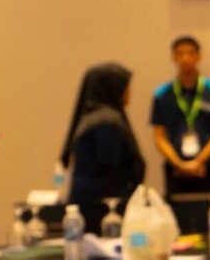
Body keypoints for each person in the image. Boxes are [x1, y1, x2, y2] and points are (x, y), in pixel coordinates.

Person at [59, 62, 145, 234]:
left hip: (91, 202)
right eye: (126, 87)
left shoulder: (94, 117)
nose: (130, 92)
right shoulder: (105, 122)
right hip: (100, 207)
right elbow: (109, 166)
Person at [151, 36, 210, 194]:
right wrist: (179, 164)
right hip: (174, 169)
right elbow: (159, 137)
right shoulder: (162, 94)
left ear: (198, 56)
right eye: (180, 54)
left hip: (206, 167)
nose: (185, 58)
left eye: (190, 53)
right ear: (173, 57)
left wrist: (198, 162)